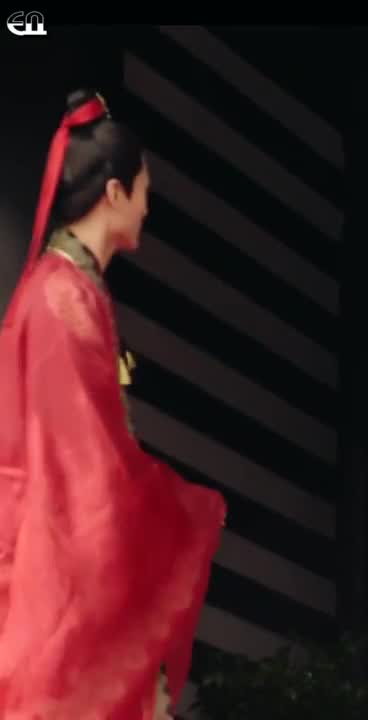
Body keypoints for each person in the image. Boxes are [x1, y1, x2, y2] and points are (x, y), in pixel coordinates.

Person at [0, 89, 226, 718]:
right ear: (114, 192)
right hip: (55, 572)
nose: (148, 206)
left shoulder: (71, 291)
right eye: (143, 190)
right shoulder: (62, 298)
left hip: (62, 557)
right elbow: (83, 465)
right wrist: (176, 511)